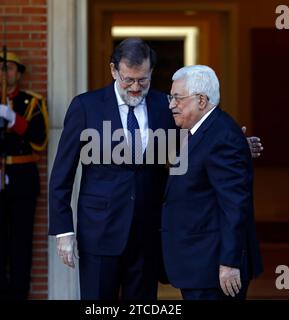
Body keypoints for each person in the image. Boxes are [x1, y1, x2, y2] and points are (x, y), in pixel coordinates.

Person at [48, 38, 263, 300]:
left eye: (143, 80)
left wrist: (238, 144)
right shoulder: (85, 106)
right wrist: (63, 230)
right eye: (128, 80)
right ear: (114, 71)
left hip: (149, 232)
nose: (136, 87)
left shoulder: (165, 104)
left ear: (150, 73)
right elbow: (62, 174)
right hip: (100, 233)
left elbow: (198, 138)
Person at [161, 65, 263, 300]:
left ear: (201, 100)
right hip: (199, 264)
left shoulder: (222, 137)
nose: (171, 104)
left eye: (177, 98)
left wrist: (229, 262)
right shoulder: (201, 131)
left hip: (214, 268)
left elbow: (234, 206)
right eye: (170, 97)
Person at [0, 51, 48, 300]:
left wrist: (15, 120)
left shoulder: (32, 101)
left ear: (19, 73)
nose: (5, 73)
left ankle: (19, 295)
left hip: (24, 177)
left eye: (11, 68)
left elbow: (40, 138)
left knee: (21, 242)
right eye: (1, 68)